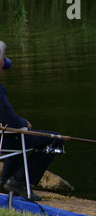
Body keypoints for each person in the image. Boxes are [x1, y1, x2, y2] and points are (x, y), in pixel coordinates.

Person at [0, 41, 64, 201]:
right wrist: (24, 122)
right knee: (55, 141)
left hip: (5, 138)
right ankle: (18, 181)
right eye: (3, 56)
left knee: (18, 135)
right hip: (4, 141)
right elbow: (11, 121)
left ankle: (4, 181)